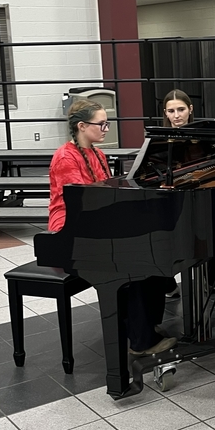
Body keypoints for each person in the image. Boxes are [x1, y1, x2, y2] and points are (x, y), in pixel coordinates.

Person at [49, 99, 174, 356]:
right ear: (82, 126)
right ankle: (141, 341)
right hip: (69, 235)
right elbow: (80, 207)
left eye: (108, 123)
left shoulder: (98, 153)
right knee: (137, 265)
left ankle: (146, 326)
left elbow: (105, 197)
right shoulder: (65, 157)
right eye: (102, 124)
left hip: (95, 227)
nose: (106, 128)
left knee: (155, 257)